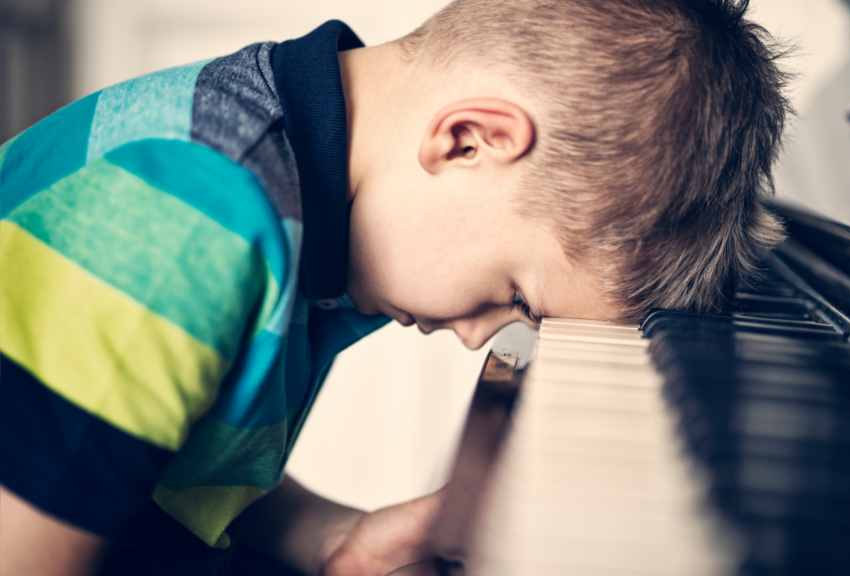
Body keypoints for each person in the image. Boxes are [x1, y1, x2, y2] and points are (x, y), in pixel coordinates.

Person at [0, 0, 789, 574]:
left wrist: (325, 535)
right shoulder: (192, 216)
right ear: (468, 140)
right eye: (517, 295)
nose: (482, 336)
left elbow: (153, 456)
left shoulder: (308, 204)